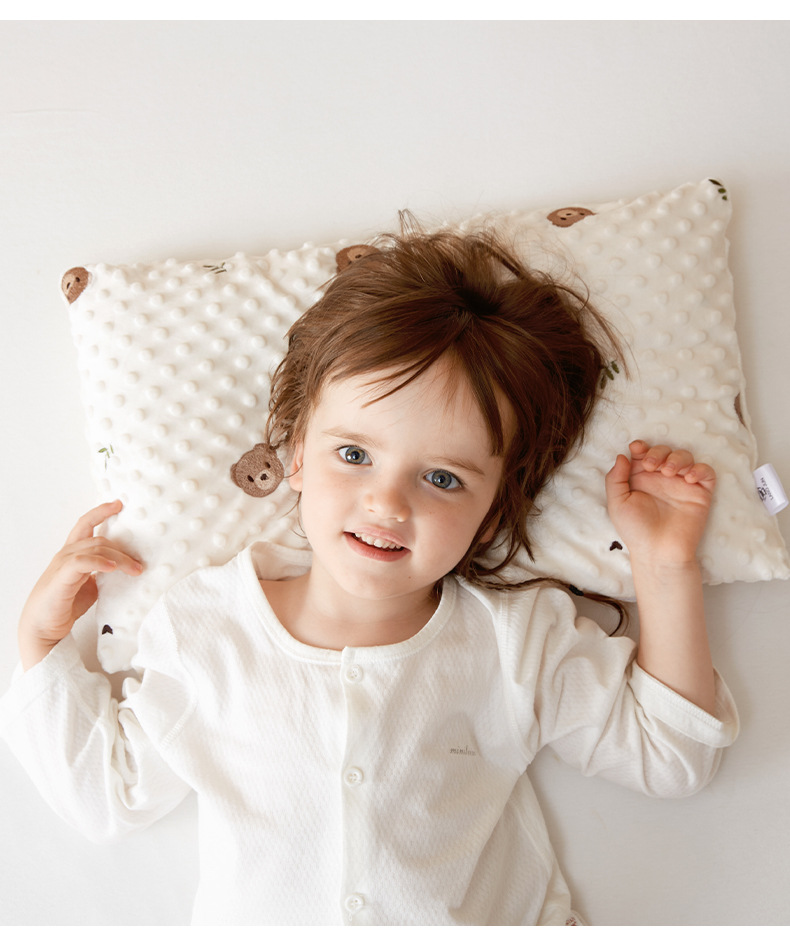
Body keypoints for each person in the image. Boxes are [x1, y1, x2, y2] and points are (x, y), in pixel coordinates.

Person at [1, 225, 738, 925]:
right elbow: (106, 794)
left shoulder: (513, 641)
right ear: (294, 454)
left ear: (494, 511)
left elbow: (670, 756)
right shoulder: (208, 628)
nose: (387, 503)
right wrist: (42, 641)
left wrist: (664, 564)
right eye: (353, 455)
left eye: (443, 478)